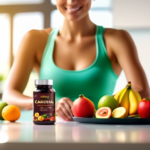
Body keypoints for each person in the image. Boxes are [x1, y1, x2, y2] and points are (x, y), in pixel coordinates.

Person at [2, 0, 150, 121]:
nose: (72, 1)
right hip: (48, 132)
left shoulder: (117, 39)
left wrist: (111, 107)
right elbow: (10, 94)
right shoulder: (35, 39)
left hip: (102, 132)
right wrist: (48, 105)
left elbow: (142, 92)